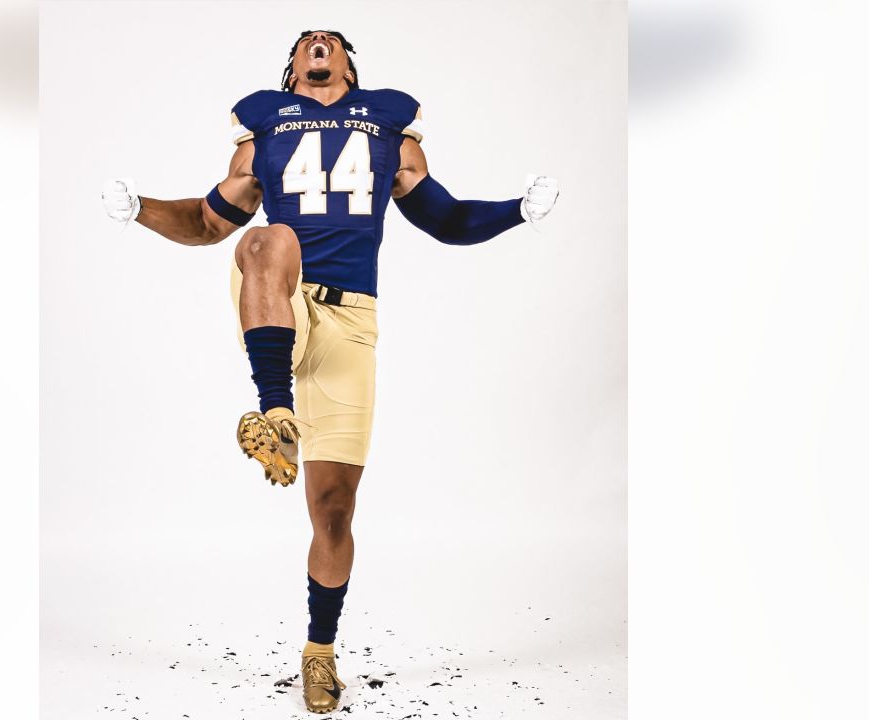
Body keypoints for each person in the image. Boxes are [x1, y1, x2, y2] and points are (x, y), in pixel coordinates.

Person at [102, 29, 559, 714]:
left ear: (348, 63)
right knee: (270, 237)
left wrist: (516, 212)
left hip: (352, 321)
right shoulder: (264, 125)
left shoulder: (387, 125)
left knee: (336, 512)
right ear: (292, 68)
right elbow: (207, 221)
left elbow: (446, 218)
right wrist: (141, 210)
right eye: (306, 40)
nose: (319, 41)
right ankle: (276, 410)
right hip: (276, 295)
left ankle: (319, 653)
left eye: (332, 39)